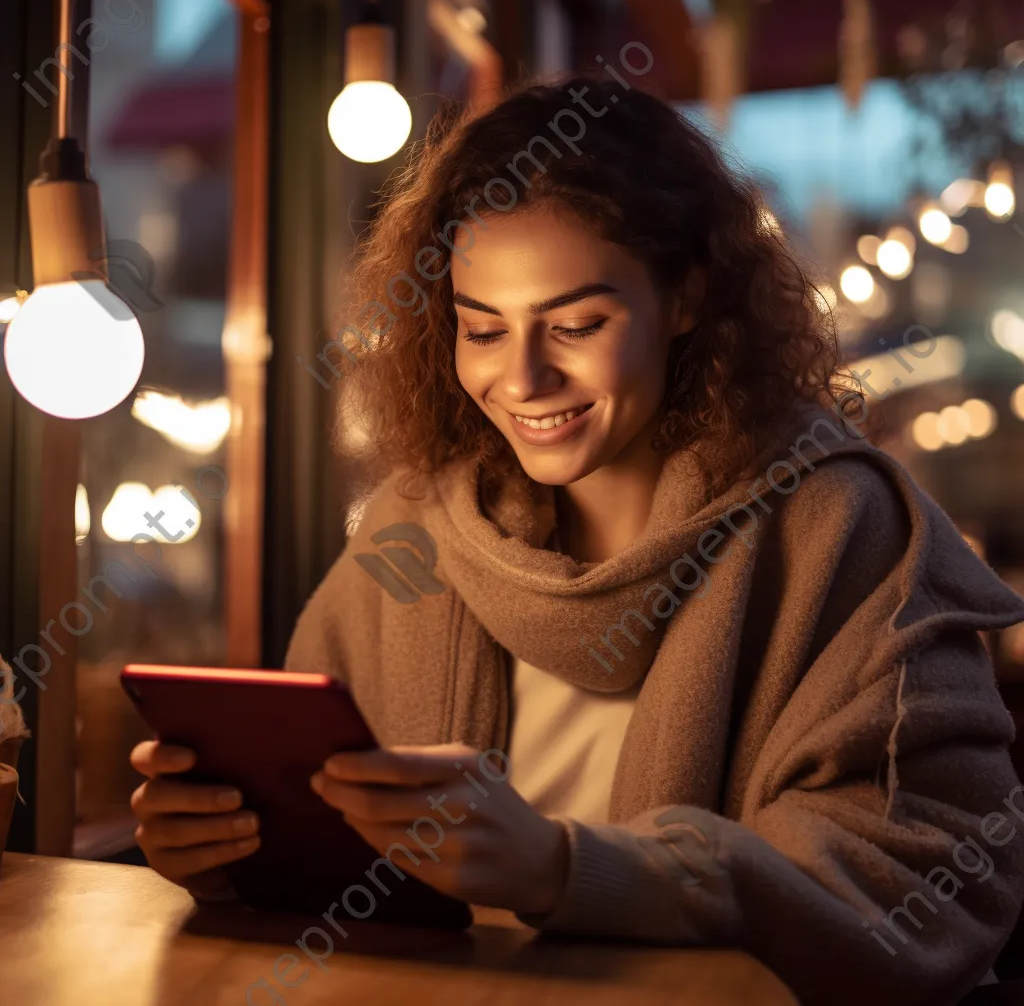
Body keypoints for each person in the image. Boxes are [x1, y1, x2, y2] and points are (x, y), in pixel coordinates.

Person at [129, 78, 1024, 1005]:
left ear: (687, 294)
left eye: (577, 324)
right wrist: (230, 847)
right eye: (482, 328)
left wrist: (563, 870)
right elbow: (332, 840)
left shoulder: (840, 526)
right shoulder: (415, 529)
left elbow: (929, 877)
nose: (523, 377)